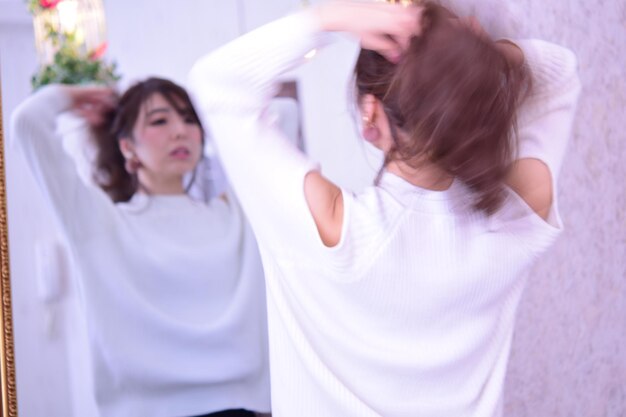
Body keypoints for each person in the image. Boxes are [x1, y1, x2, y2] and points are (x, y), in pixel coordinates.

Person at [188, 1, 581, 416]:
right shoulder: (515, 220)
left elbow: (218, 83)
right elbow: (562, 72)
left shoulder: (333, 233)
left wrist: (331, 19)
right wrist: (476, 63)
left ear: (369, 115)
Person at [11, 78, 271, 417]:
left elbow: (282, 114)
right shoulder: (99, 223)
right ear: (127, 148)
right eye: (160, 121)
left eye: (190, 119)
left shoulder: (235, 215)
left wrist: (211, 109)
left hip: (241, 408)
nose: (180, 131)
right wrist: (73, 95)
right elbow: (27, 124)